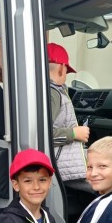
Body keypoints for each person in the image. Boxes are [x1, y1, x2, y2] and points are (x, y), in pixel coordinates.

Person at [48, 42, 90, 189]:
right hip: (61, 165)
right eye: (66, 71)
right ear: (61, 68)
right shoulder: (53, 94)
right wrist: (74, 133)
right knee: (105, 178)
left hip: (63, 161)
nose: (66, 76)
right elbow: (44, 136)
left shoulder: (51, 91)